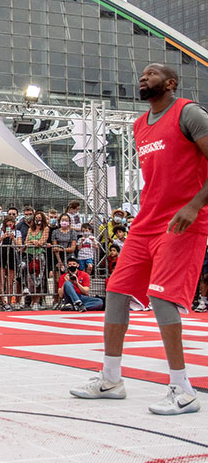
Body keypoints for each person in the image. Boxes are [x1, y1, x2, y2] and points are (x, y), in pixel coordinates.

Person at [71, 63, 208, 415]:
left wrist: (194, 206)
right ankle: (111, 379)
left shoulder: (189, 114)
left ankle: (182, 388)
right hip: (145, 223)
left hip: (183, 221)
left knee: (162, 299)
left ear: (171, 83)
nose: (143, 78)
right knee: (115, 293)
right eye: (142, 74)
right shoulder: (138, 126)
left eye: (151, 73)